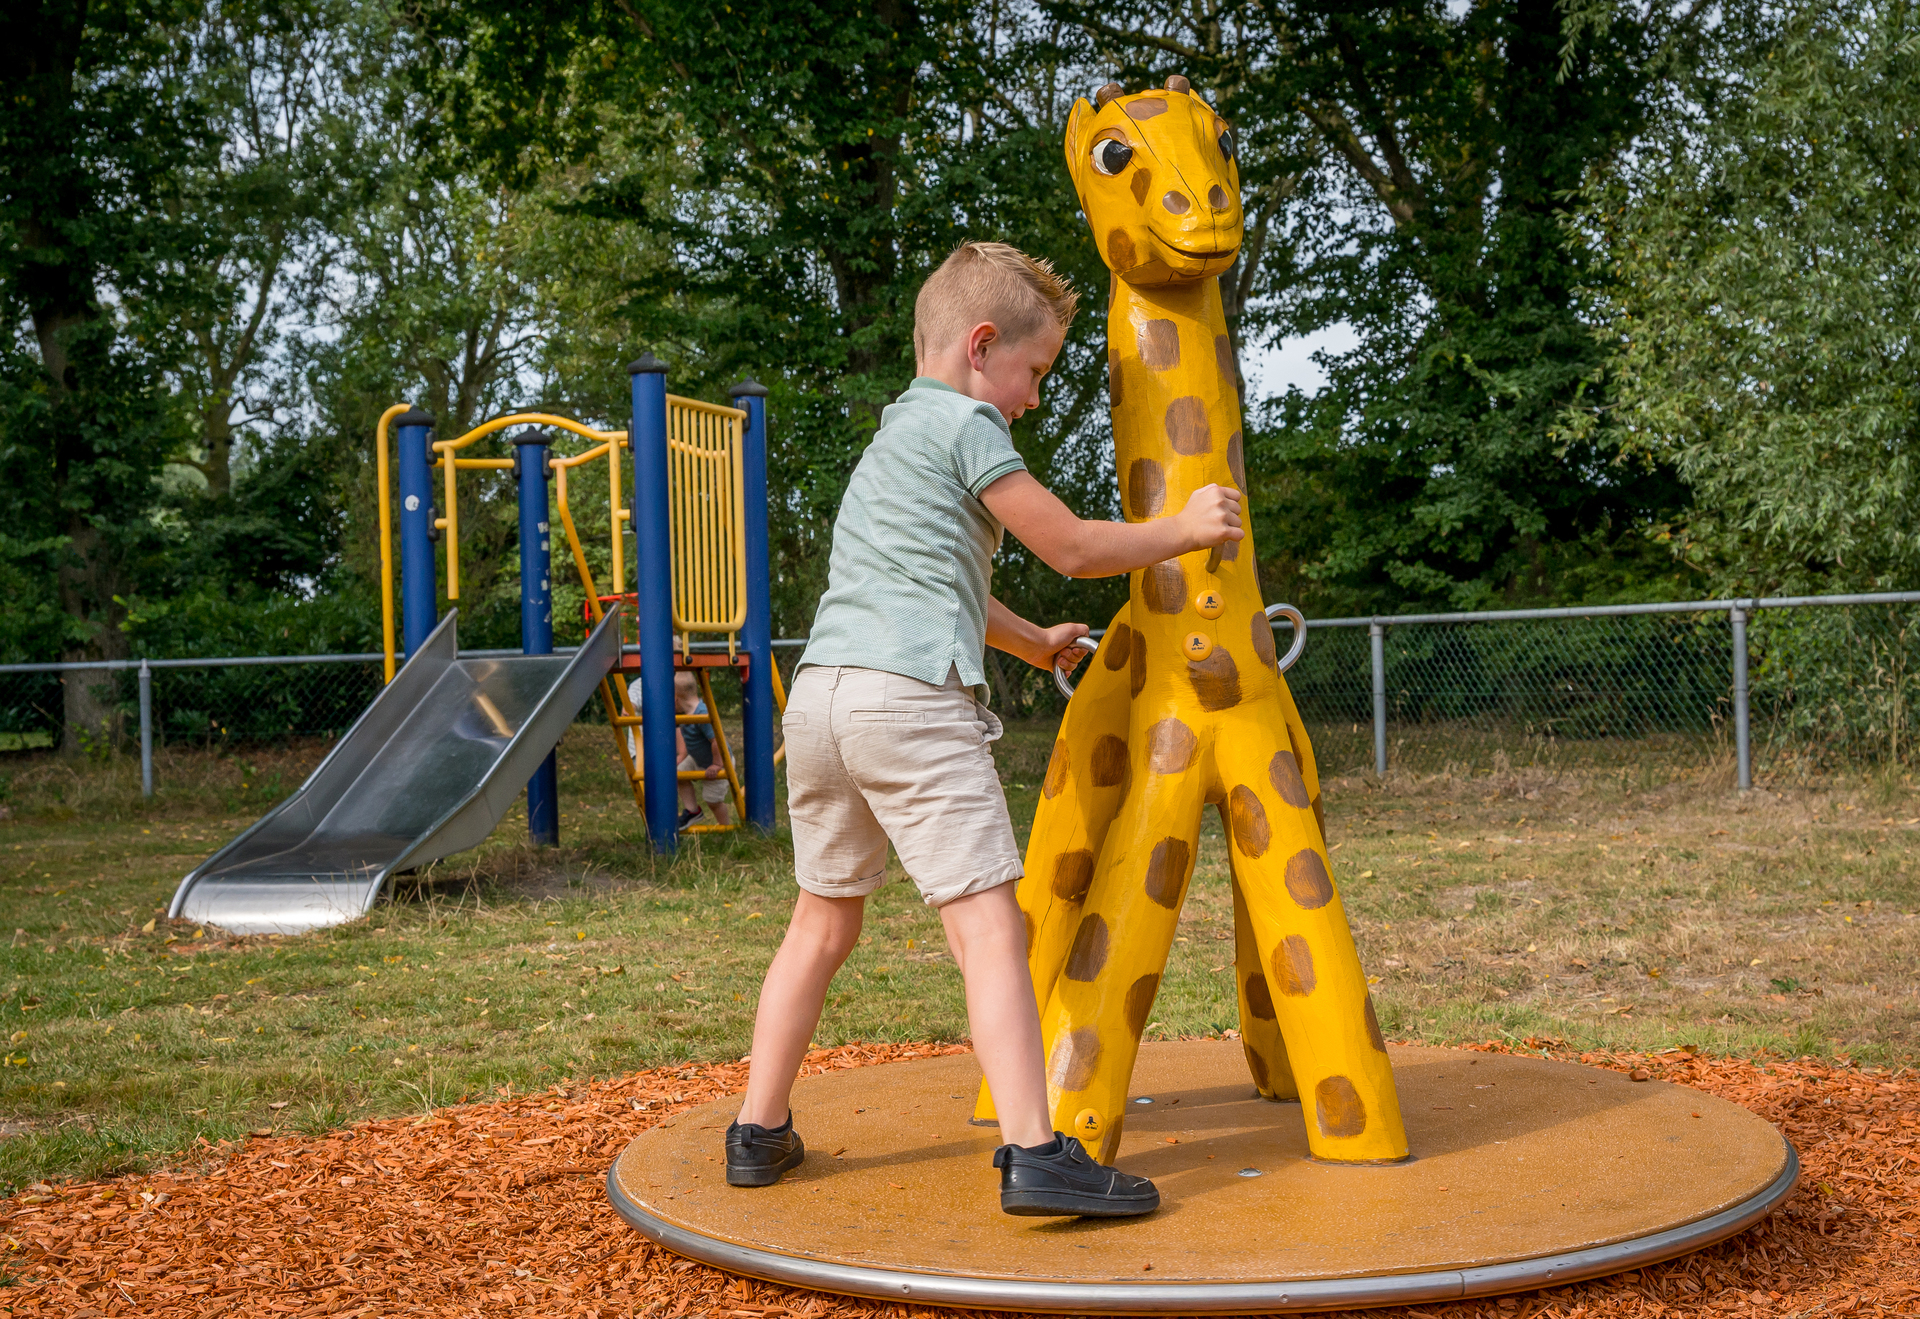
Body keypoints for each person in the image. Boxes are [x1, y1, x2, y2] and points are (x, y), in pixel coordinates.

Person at [725, 241, 1242, 1217]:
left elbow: (943, 587)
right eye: (1034, 372)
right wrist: (1185, 525)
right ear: (981, 345)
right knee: (991, 927)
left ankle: (757, 1130)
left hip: (825, 700)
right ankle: (1036, 1151)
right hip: (909, 705)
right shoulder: (969, 425)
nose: (1034, 399)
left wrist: (1033, 639)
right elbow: (1075, 545)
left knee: (822, 921)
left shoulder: (895, 439)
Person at [674, 670, 732, 828]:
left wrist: (717, 764)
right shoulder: (684, 713)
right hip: (697, 758)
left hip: (719, 760)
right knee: (678, 775)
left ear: (676, 699)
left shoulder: (702, 713)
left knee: (713, 801)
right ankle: (693, 811)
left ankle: (725, 827)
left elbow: (716, 741)